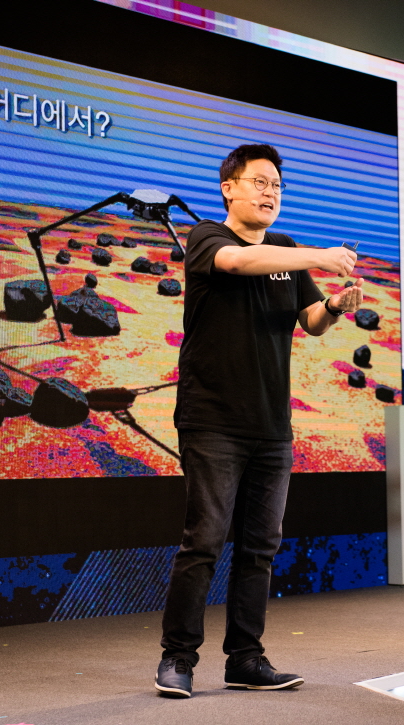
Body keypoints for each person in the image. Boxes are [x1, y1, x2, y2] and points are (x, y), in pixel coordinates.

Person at [154, 144, 364, 698]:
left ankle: (245, 659)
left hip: (272, 424)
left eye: (277, 185)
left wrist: (334, 305)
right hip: (212, 419)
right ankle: (177, 657)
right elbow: (238, 263)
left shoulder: (286, 250)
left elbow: (310, 321)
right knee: (204, 541)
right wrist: (320, 256)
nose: (270, 193)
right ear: (229, 188)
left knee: (260, 548)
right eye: (259, 182)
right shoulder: (207, 238)